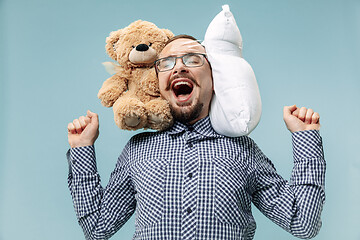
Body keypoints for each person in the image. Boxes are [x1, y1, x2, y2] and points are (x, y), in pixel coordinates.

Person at [67, 35, 325, 240]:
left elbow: (302, 223)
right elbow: (98, 228)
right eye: (167, 63)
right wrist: (82, 149)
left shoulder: (244, 150)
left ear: (213, 77)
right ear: (158, 82)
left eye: (192, 59)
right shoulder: (137, 150)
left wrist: (305, 141)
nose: (179, 67)